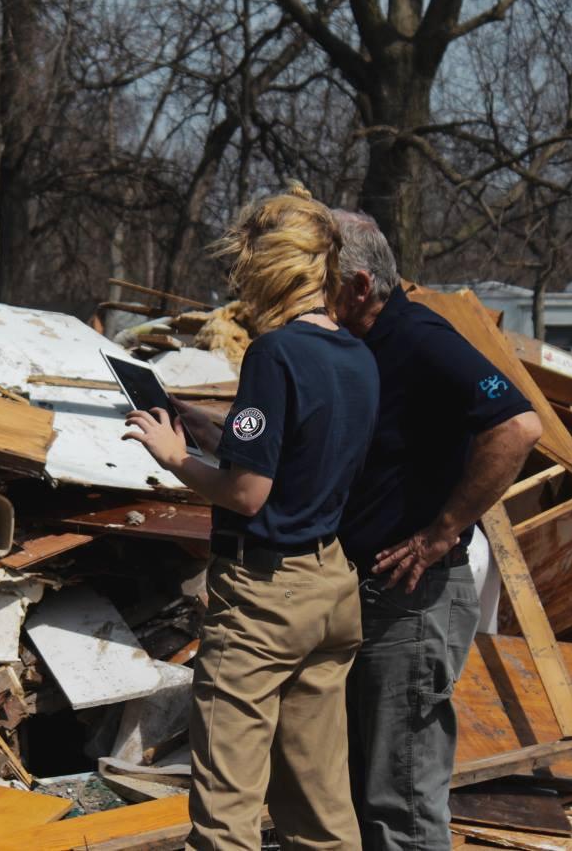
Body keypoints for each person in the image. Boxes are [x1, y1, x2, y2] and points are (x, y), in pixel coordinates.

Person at [124, 186, 378, 851]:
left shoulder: (274, 354)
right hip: (330, 587)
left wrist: (176, 456)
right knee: (321, 811)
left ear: (264, 266)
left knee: (227, 818)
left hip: (266, 598)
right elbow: (298, 454)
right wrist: (217, 431)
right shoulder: (357, 356)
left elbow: (247, 494)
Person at [331, 209, 543, 851]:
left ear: (360, 286)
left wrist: (442, 530)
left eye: (315, 278)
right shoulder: (352, 343)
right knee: (364, 784)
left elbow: (518, 426)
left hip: (415, 597)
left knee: (403, 797)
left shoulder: (420, 337)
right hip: (364, 591)